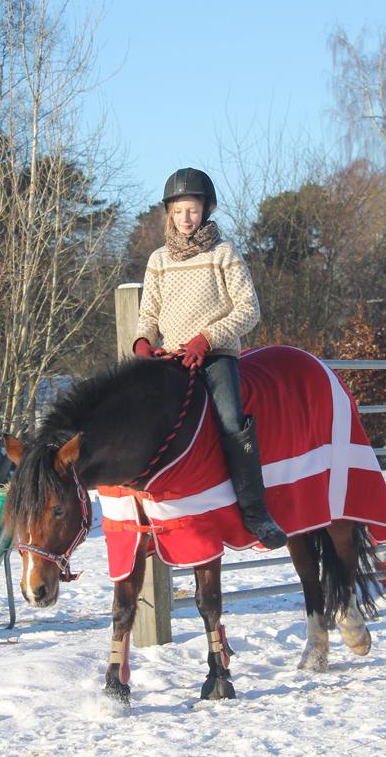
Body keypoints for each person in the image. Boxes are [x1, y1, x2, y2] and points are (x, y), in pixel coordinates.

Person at [131, 167, 287, 549]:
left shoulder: (224, 253)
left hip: (214, 354)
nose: (187, 218)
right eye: (180, 210)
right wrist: (142, 342)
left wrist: (207, 338)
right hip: (171, 357)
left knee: (231, 419)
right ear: (169, 212)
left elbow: (249, 310)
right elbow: (149, 313)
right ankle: (154, 515)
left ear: (206, 211)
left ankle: (256, 513)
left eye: (194, 210)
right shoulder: (158, 260)